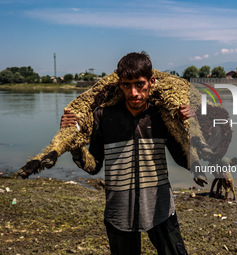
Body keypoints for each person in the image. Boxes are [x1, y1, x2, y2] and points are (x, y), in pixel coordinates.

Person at [60, 52, 204, 255]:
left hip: (160, 208)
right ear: (119, 84)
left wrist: (189, 126)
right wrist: (73, 142)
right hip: (119, 213)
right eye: (127, 85)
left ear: (152, 82)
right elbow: (94, 167)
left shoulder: (162, 115)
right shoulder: (103, 116)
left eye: (139, 84)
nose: (134, 92)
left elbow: (184, 160)